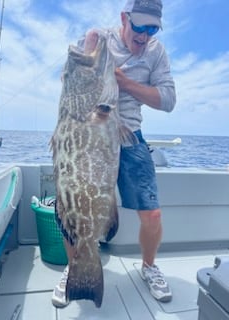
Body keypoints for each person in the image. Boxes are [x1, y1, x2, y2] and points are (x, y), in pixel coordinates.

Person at [52, 0, 176, 308]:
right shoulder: (101, 39)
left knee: (153, 213)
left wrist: (125, 83)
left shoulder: (156, 53)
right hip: (87, 139)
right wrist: (86, 60)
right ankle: (76, 267)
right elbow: (70, 78)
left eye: (152, 28)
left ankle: (149, 267)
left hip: (129, 136)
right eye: (139, 26)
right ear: (125, 18)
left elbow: (168, 100)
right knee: (72, 205)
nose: (144, 35)